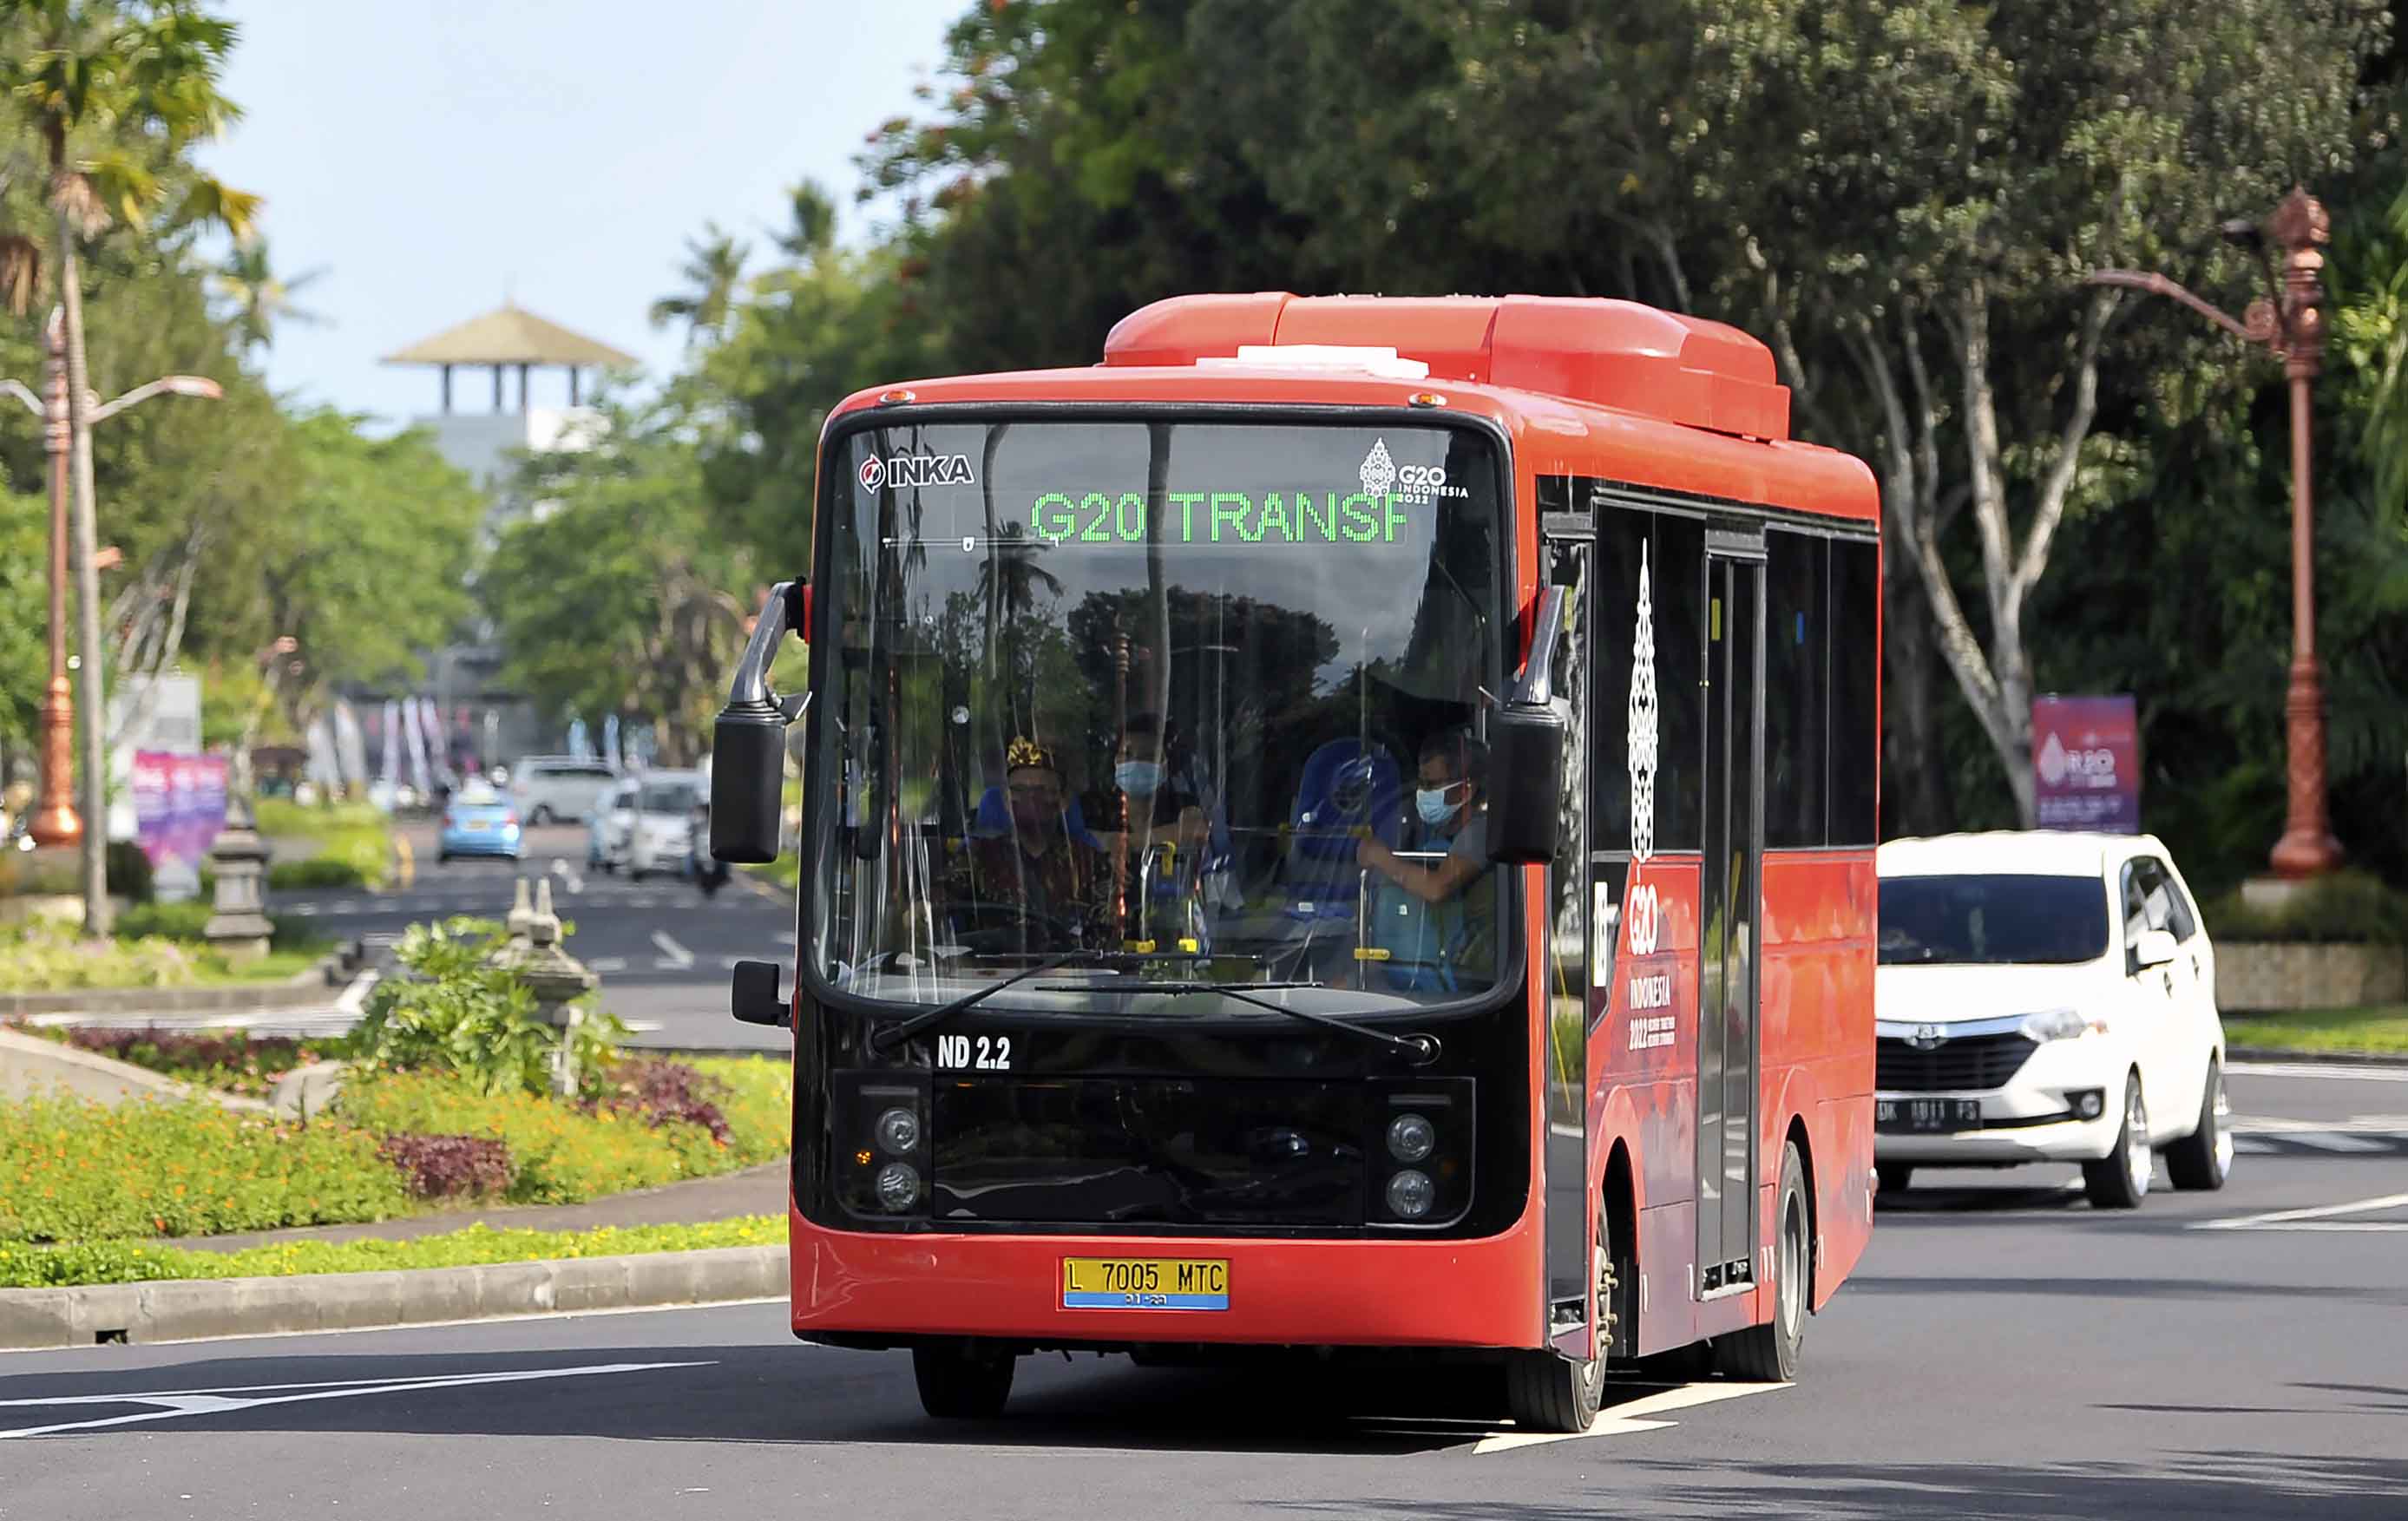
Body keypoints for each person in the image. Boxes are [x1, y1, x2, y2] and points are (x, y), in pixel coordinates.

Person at [1357, 727, 1496, 988]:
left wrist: (1380, 857)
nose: (1422, 792)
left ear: (1465, 791)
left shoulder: (1480, 831)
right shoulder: (1441, 831)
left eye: (1432, 785)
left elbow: (1437, 888)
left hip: (1470, 974)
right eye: (1421, 783)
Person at [946, 736, 1113, 950]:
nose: (1031, 798)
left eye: (1042, 790)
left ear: (1063, 801)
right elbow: (940, 896)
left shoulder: (1089, 861)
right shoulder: (978, 855)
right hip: (989, 968)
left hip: (1068, 968)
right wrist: (922, 908)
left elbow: (1107, 932)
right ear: (1006, 801)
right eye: (1019, 790)